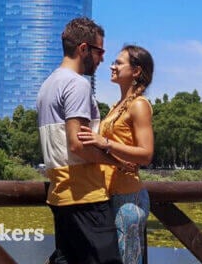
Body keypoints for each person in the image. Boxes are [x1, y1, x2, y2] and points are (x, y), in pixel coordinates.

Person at [36, 17, 123, 264]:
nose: (103, 58)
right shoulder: (77, 85)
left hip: (61, 194)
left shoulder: (47, 86)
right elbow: (77, 144)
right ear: (83, 48)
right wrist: (114, 160)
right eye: (100, 51)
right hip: (85, 196)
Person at [78, 45, 154, 264]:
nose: (112, 66)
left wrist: (106, 143)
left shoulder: (139, 105)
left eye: (119, 63)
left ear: (136, 71)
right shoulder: (117, 107)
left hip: (128, 198)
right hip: (109, 195)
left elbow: (146, 154)